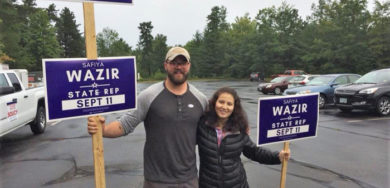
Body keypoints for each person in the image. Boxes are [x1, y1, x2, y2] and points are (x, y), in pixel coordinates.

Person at [87, 47, 208, 188]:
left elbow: (210, 135)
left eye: (183, 63)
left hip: (189, 179)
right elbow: (125, 124)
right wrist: (103, 130)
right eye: (174, 63)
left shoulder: (201, 100)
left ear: (189, 66)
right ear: (166, 65)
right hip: (156, 180)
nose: (178, 67)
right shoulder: (148, 96)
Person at [197, 87, 291, 188]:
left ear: (234, 107)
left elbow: (254, 152)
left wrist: (277, 157)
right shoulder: (202, 125)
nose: (224, 107)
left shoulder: (239, 129)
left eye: (229, 104)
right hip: (208, 184)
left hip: (237, 184)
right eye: (221, 102)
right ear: (214, 102)